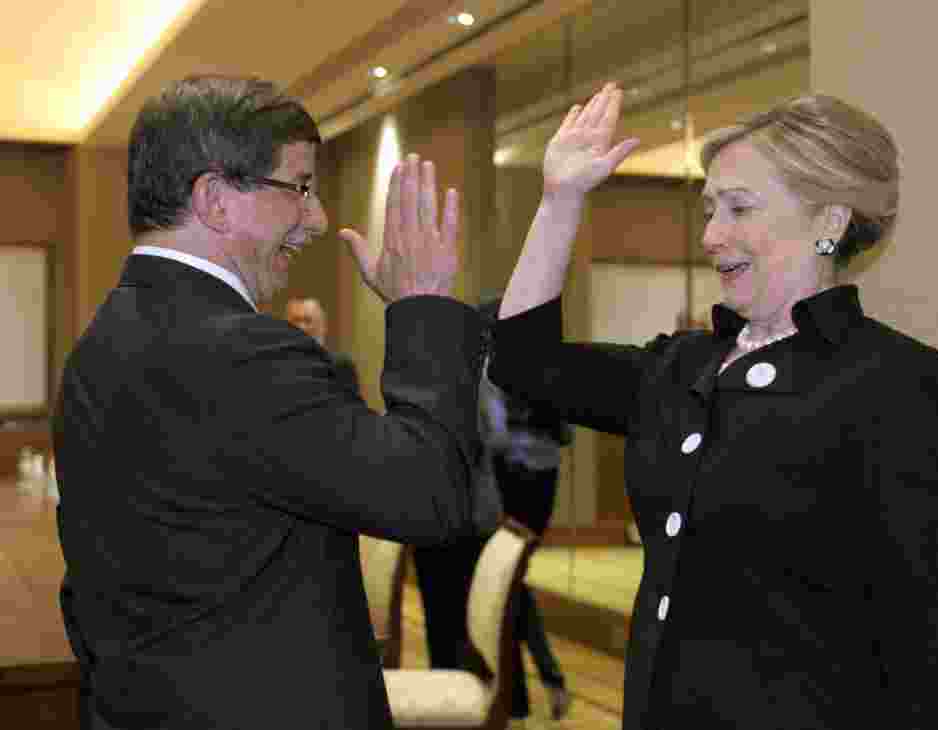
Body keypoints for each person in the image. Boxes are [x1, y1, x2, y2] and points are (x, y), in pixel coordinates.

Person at [487, 83, 938, 728]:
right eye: (710, 210)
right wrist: (560, 201)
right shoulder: (682, 366)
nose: (713, 235)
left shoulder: (894, 381)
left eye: (739, 208)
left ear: (829, 223)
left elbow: (919, 640)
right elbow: (522, 363)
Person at [52, 75, 484, 730]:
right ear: (216, 200)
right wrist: (423, 307)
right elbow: (431, 496)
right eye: (301, 187)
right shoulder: (244, 353)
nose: (317, 219)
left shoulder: (100, 343)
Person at [413, 300, 572, 722]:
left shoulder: (491, 374)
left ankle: (527, 691)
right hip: (486, 501)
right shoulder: (476, 374)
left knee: (504, 593)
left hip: (495, 501)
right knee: (505, 594)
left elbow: (536, 435)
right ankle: (529, 690)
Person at [285, 296, 360, 392]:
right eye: (295, 320)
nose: (301, 327)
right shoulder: (278, 364)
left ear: (322, 326)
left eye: (307, 320)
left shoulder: (341, 365)